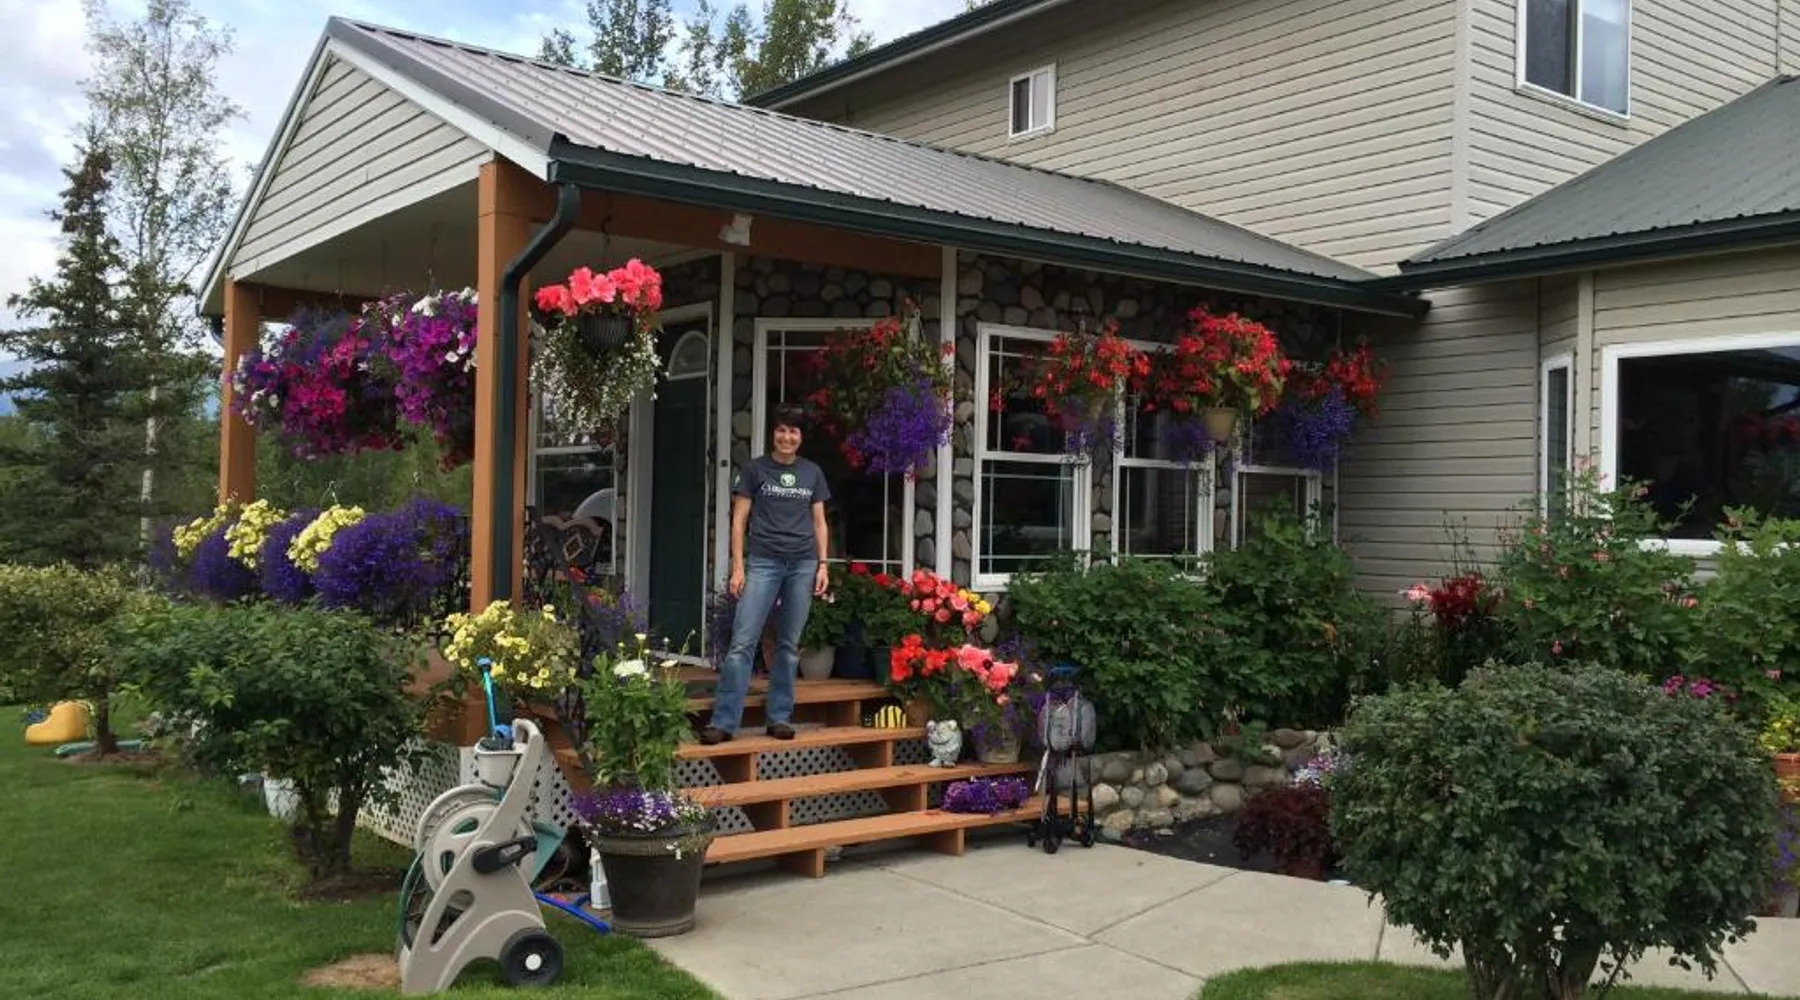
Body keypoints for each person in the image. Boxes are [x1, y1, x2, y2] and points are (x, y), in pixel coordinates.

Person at [701, 405, 832, 744]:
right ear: (773, 434)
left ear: (800, 437)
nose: (787, 437)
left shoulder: (813, 472)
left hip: (802, 565)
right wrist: (738, 568)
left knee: (788, 645)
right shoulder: (754, 470)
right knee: (742, 642)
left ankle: (779, 718)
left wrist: (823, 564)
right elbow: (738, 521)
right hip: (763, 563)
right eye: (781, 430)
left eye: (794, 431)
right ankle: (724, 722)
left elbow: (819, 522)